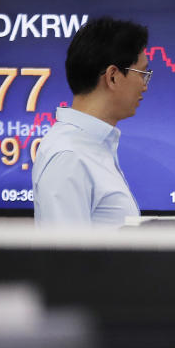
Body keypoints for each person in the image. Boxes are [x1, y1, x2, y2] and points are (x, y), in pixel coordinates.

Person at [33, 17, 150, 227]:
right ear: (113, 76)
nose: (144, 86)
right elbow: (67, 257)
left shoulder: (90, 145)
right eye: (142, 74)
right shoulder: (69, 156)